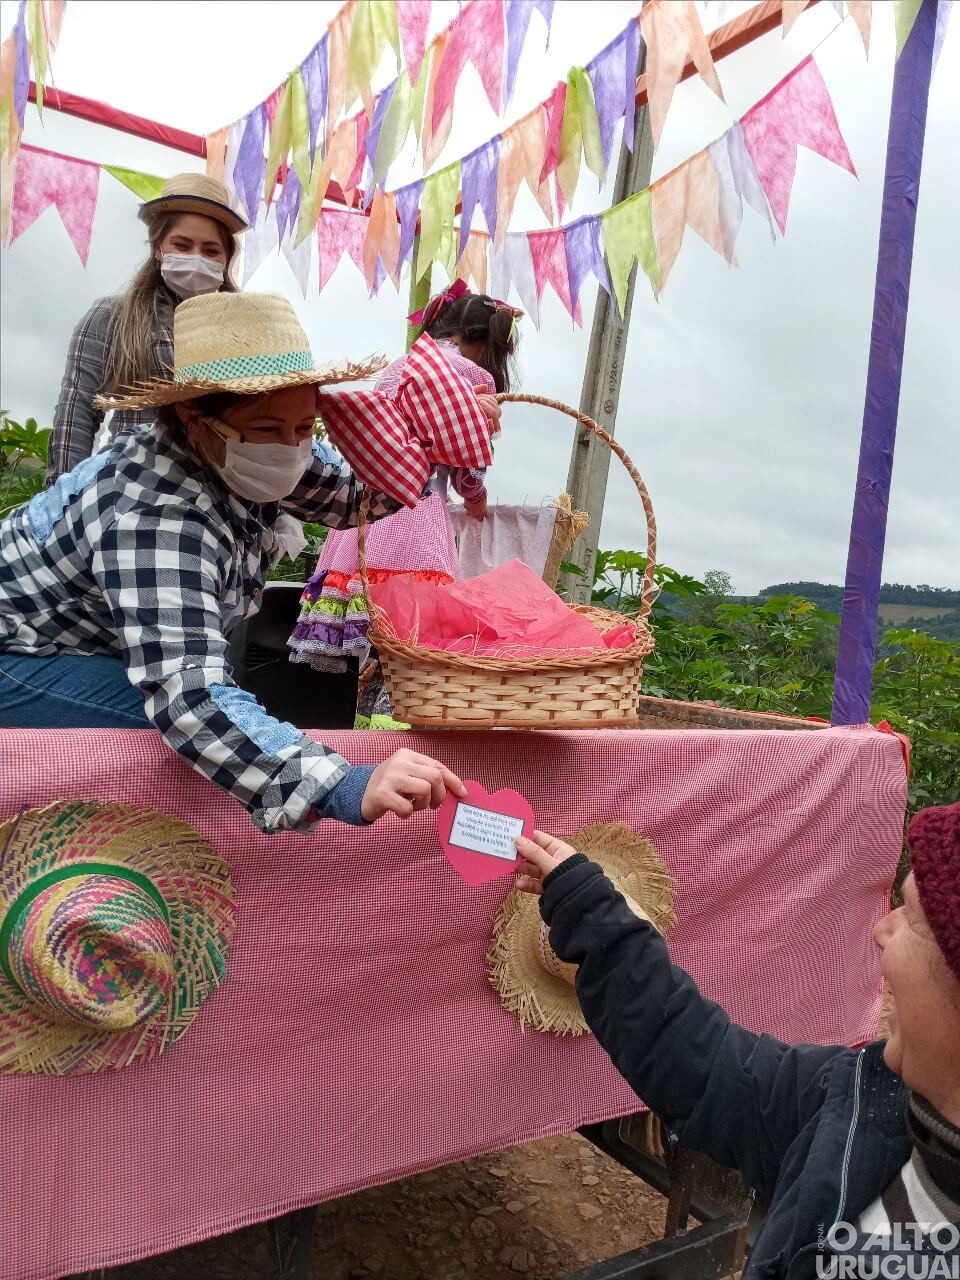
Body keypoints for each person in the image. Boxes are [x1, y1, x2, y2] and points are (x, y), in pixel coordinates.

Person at [0, 291, 465, 833]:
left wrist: (438, 433)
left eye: (305, 428)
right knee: (172, 734)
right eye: (269, 431)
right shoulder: (156, 513)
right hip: (19, 657)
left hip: (87, 646)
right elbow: (189, 699)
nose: (291, 450)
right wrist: (341, 784)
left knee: (236, 724)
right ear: (193, 419)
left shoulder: (252, 446)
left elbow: (359, 495)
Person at [514, 803, 960, 1275]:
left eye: (913, 920)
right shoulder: (864, 1097)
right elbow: (707, 1068)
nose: (880, 929)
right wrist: (587, 907)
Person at [288, 284, 520, 727]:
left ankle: (359, 735)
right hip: (416, 516)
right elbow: (467, 464)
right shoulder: (475, 378)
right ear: (484, 341)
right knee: (411, 646)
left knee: (368, 639)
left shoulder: (400, 367)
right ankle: (396, 734)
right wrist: (477, 500)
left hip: (363, 511)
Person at [46, 173, 247, 485]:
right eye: (182, 245)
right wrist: (63, 499)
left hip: (219, 497)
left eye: (210, 250)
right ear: (158, 249)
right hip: (130, 492)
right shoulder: (113, 316)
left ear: (226, 259)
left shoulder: (245, 330)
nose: (196, 257)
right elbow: (76, 416)